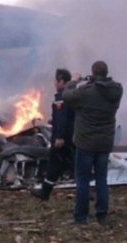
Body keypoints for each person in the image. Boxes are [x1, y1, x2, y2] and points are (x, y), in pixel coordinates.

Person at [63, 61, 123, 224]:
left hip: (86, 143)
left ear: (93, 73)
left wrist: (74, 81)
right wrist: (92, 81)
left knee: (83, 180)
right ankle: (102, 215)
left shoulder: (86, 92)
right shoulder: (117, 89)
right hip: (104, 143)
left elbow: (66, 96)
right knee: (101, 179)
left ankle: (81, 217)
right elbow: (103, 90)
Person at [31, 68, 75, 201]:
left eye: (56, 81)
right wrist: (53, 119)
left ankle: (45, 192)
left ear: (61, 81)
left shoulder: (61, 96)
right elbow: (66, 116)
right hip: (72, 136)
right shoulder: (72, 94)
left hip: (63, 137)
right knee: (70, 164)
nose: (54, 83)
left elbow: (63, 118)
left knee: (56, 163)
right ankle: (87, 191)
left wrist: (60, 137)